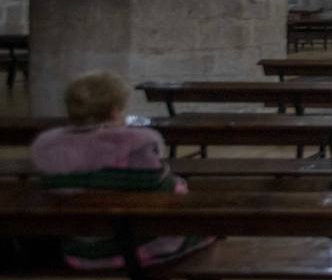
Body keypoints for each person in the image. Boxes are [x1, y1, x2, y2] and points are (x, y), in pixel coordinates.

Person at [29, 71, 212, 270]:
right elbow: (171, 194)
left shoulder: (52, 152)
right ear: (115, 111)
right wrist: (179, 185)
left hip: (78, 248)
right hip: (135, 248)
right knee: (209, 225)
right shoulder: (136, 151)